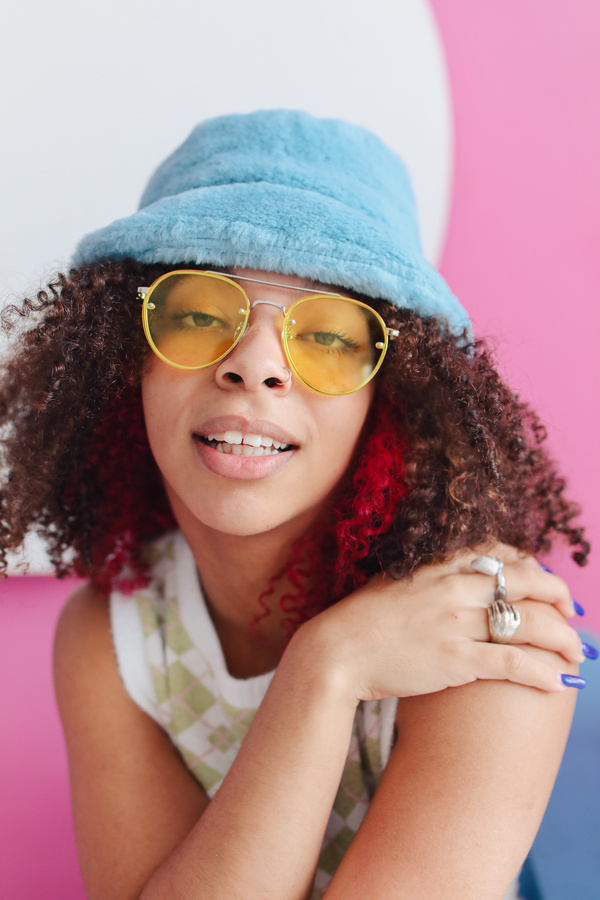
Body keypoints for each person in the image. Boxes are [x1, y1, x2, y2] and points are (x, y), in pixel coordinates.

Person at [0, 110, 593, 900]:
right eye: (199, 315)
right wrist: (324, 670)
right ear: (125, 361)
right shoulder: (114, 634)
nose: (255, 367)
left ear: (392, 397)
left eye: (330, 336)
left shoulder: (486, 627)